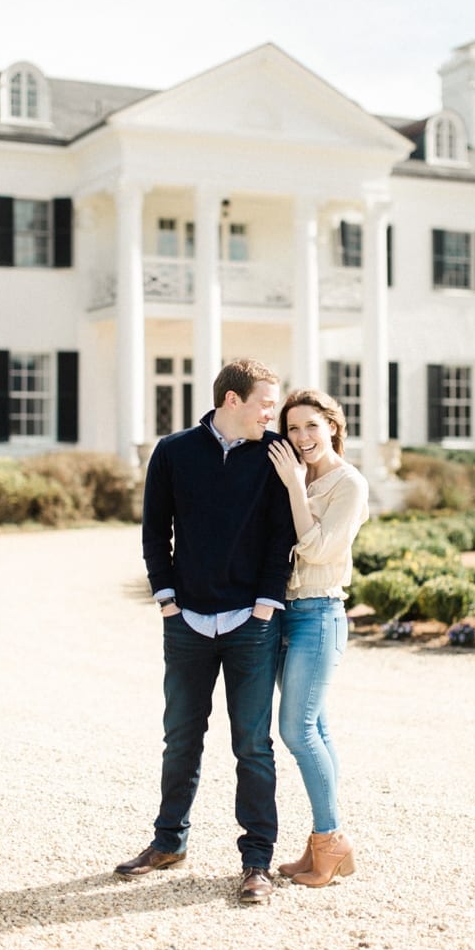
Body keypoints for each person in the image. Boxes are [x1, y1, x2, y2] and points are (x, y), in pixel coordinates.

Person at [119, 358, 297, 906]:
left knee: (253, 746)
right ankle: (168, 842)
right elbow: (156, 529)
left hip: (251, 622)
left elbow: (280, 535)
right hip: (188, 623)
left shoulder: (274, 457)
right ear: (231, 400)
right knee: (180, 738)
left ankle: (257, 863)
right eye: (266, 403)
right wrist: (167, 599)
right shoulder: (173, 452)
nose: (275, 413)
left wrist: (266, 604)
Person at [266, 389, 370, 887]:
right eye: (292, 429)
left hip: (320, 614)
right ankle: (322, 843)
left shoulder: (348, 484)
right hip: (284, 614)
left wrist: (292, 486)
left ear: (332, 424)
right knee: (318, 730)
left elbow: (321, 550)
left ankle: (331, 840)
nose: (301, 438)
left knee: (296, 731)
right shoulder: (297, 472)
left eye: (310, 425)